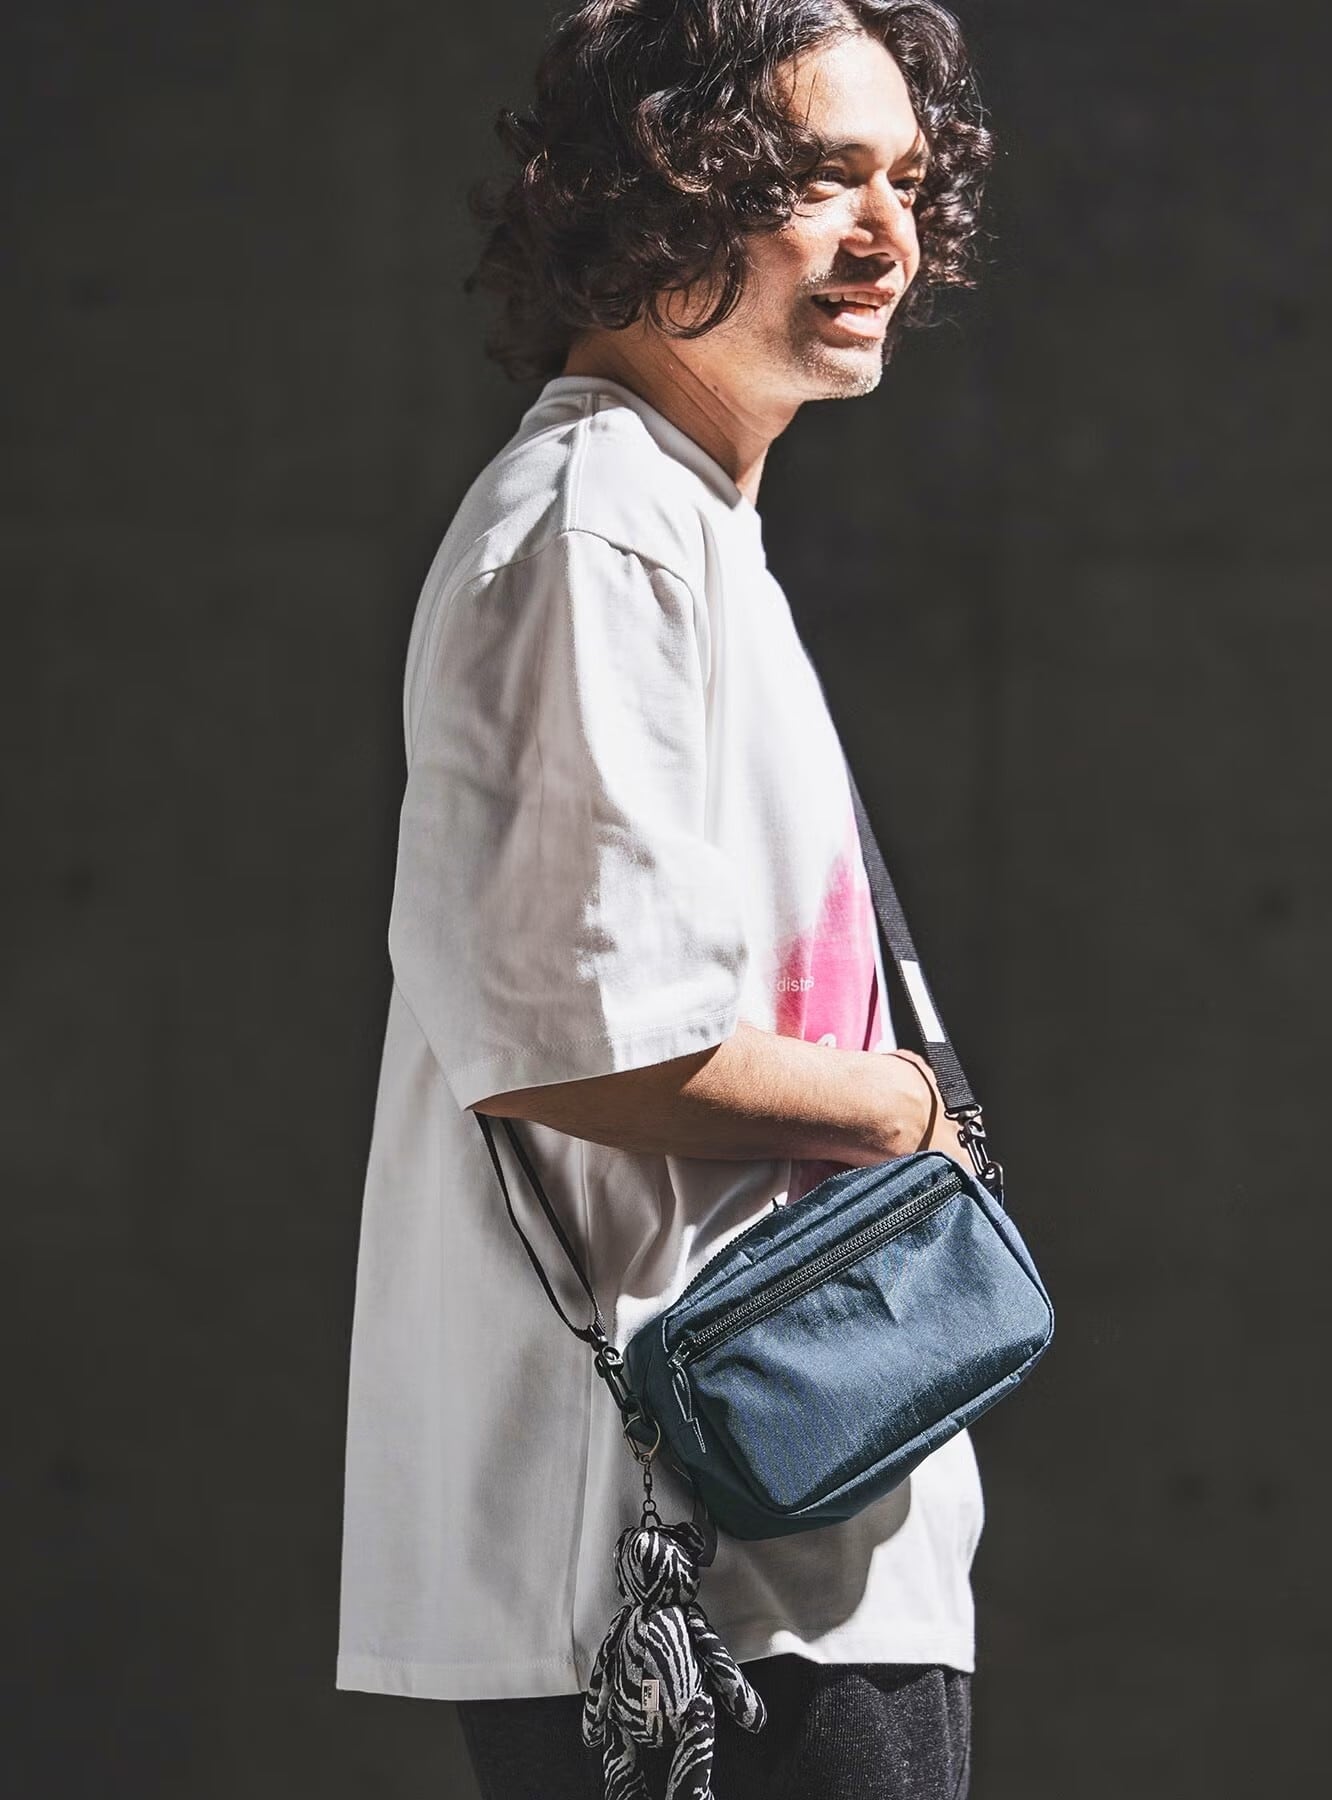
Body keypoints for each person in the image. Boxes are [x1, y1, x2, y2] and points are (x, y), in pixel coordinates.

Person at [335, 2, 997, 1793]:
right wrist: (907, 1112)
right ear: (664, 192)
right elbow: (587, 1037)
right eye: (821, 177)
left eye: (907, 180)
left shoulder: (688, 524)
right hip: (685, 1584)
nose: (887, 234)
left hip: (790, 1524)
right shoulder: (594, 524)